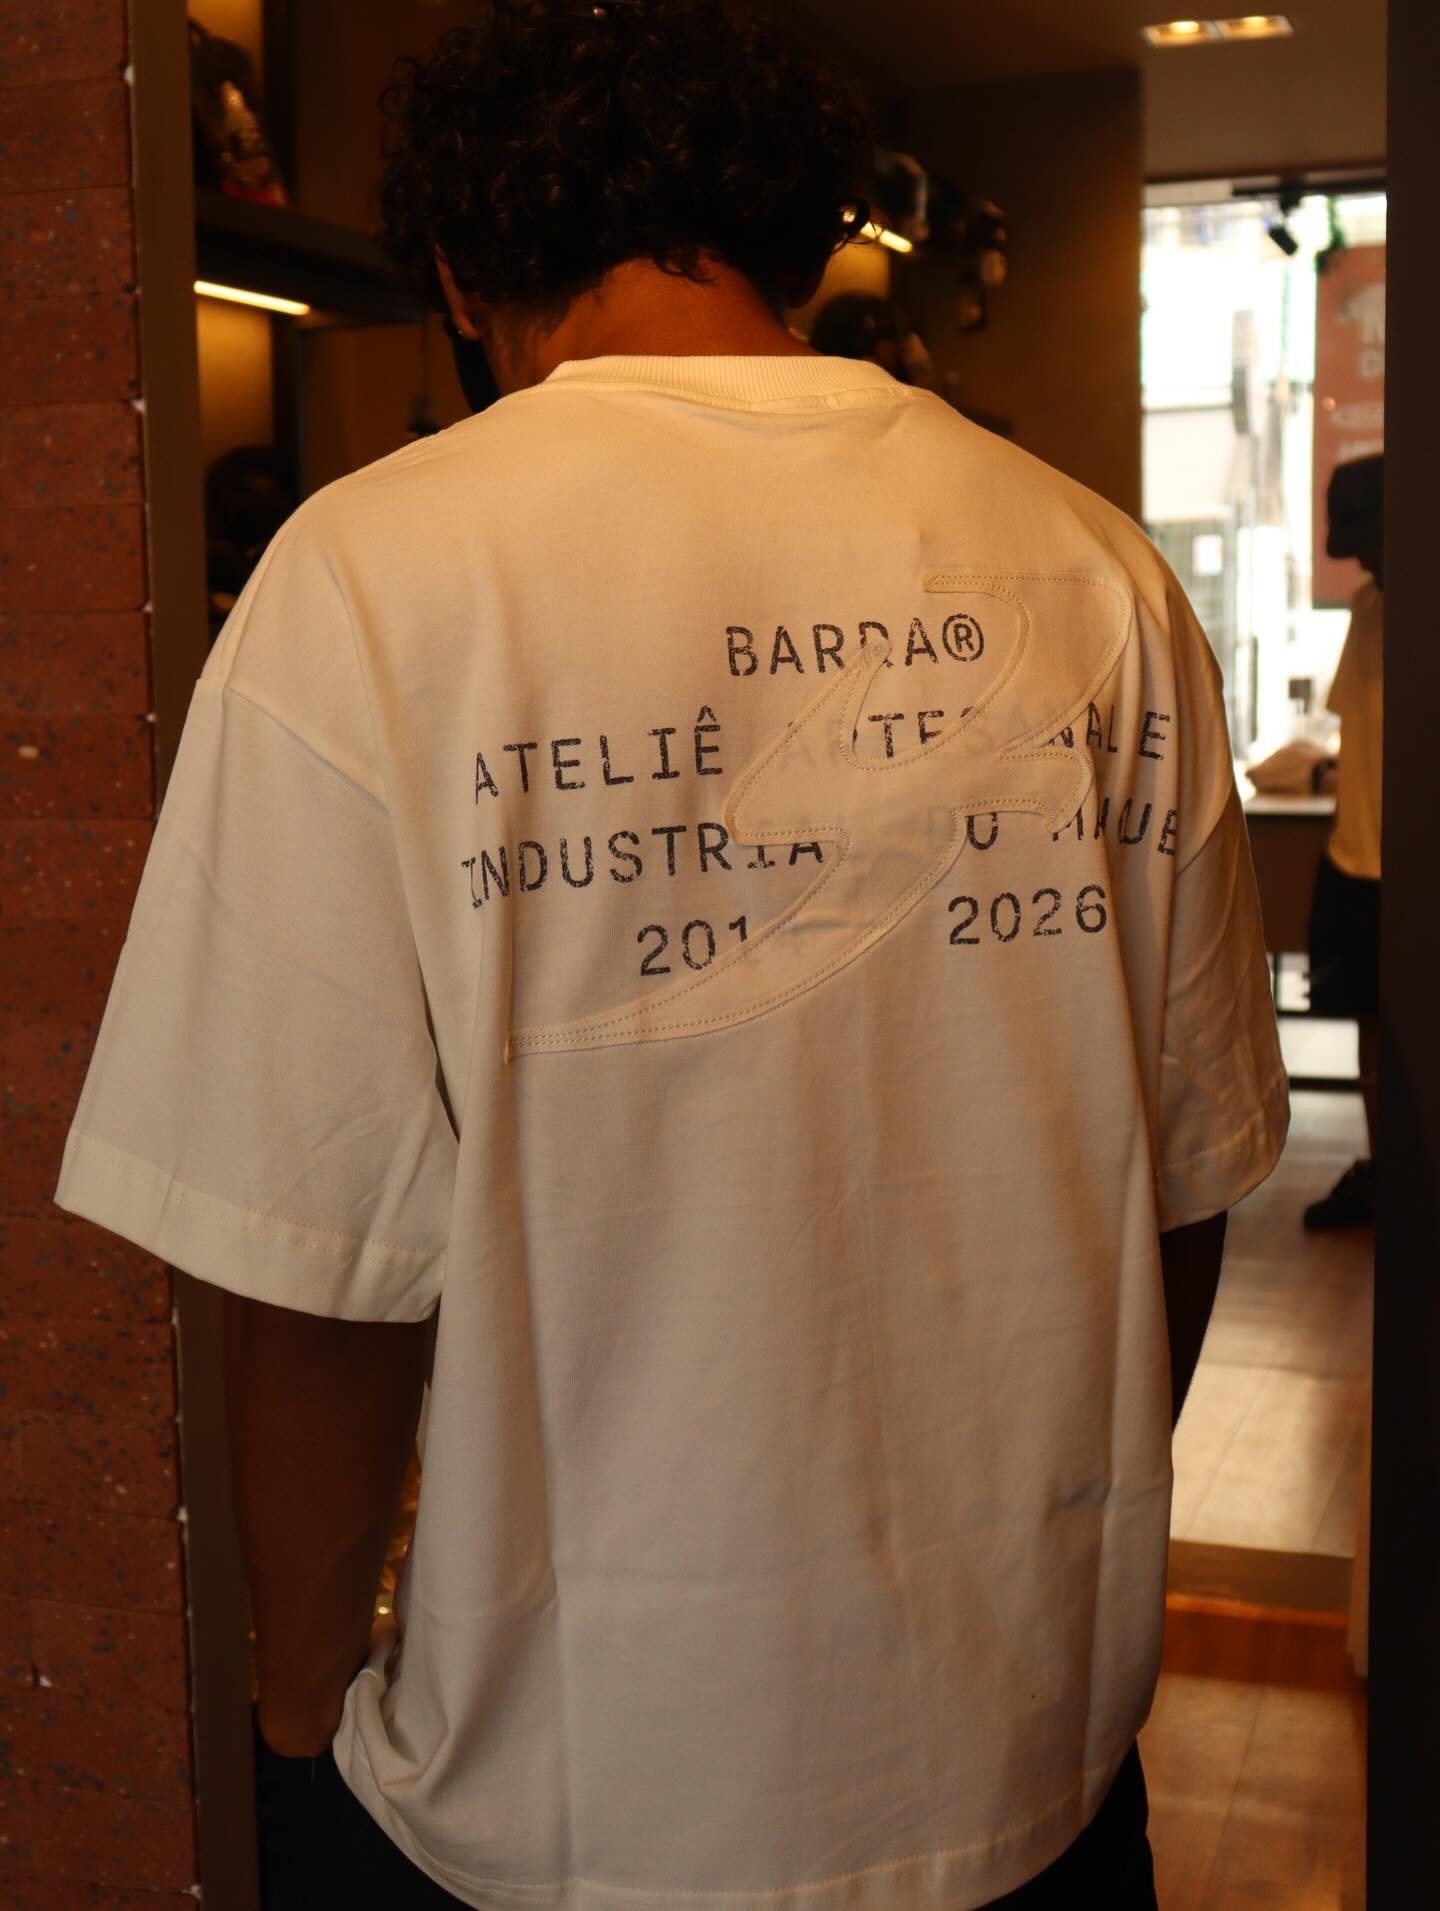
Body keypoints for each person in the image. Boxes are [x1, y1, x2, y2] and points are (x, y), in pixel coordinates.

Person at [52, 2, 1288, 1905]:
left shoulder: (371, 576)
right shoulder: (1099, 573)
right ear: (804, 238)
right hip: (1029, 1756)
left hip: (568, 1799)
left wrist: (295, 1708)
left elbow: (314, 1276)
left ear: (461, 271)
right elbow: (1183, 1185)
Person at [1304, 452, 1383, 1229]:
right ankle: (1385, 1164)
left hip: (1398, 864)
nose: (1360, 560)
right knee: (1370, 1025)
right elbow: (1354, 721)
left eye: (1367, 541)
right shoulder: (1367, 605)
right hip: (1355, 855)